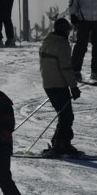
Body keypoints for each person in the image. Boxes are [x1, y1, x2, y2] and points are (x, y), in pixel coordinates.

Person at [38, 18, 82, 156]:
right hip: (58, 85)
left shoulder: (46, 41)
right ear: (64, 30)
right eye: (68, 30)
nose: (69, 33)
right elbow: (66, 68)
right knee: (67, 116)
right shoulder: (62, 44)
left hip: (48, 84)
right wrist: (73, 87)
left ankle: (59, 142)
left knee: (64, 115)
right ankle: (61, 145)